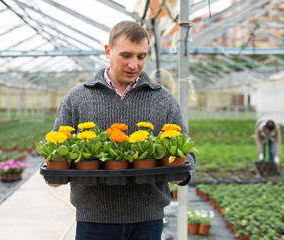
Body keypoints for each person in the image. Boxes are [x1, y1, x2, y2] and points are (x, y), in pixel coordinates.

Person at [46, 20, 196, 240]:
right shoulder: (77, 98)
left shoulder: (163, 99)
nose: (134, 65)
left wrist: (180, 175)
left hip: (148, 220)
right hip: (94, 220)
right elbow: (56, 151)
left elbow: (188, 155)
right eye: (126, 56)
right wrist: (56, 174)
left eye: (141, 56)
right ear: (108, 51)